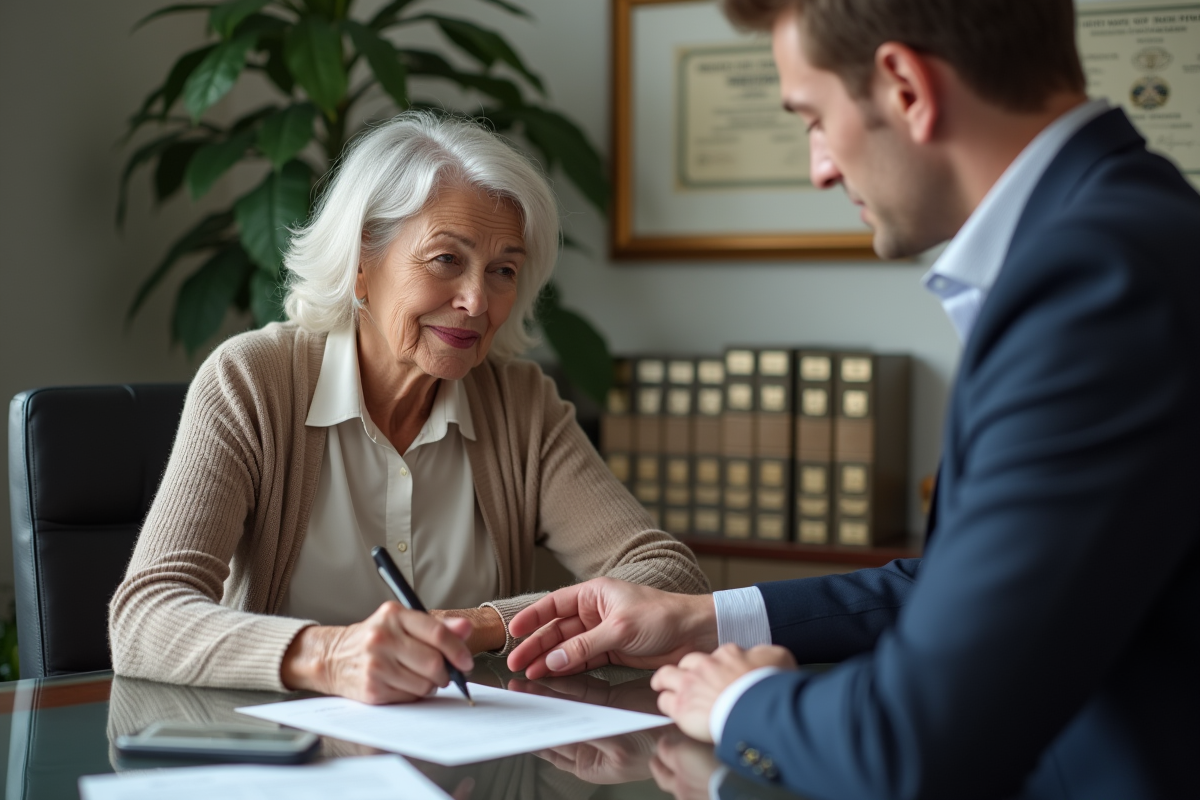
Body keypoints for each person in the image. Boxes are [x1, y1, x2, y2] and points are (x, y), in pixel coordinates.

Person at [506, 1, 1200, 797]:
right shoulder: (1124, 234)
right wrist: (702, 621)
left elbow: (912, 743)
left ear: (906, 87)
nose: (821, 168)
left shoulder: (1092, 287)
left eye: (813, 118)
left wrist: (740, 700)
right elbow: (965, 588)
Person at [108, 112, 709, 704]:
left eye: (503, 270)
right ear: (361, 263)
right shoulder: (252, 382)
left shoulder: (520, 404)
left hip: (463, 758)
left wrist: (477, 625)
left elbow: (665, 575)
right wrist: (330, 655)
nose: (477, 301)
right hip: (285, 757)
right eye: (447, 259)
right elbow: (145, 617)